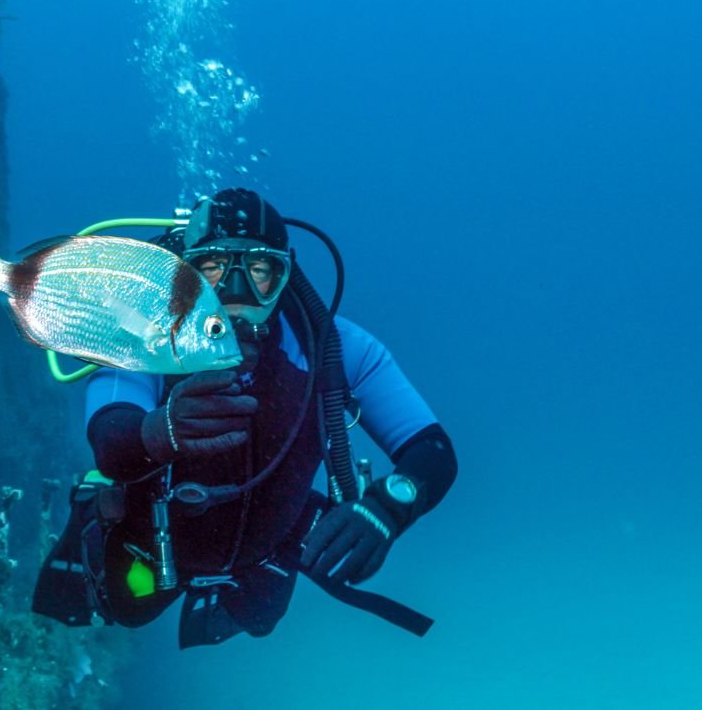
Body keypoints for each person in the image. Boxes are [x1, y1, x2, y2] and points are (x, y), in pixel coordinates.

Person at [33, 188, 457, 647]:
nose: (235, 293)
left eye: (259, 270)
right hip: (154, 540)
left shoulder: (334, 347)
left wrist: (389, 507)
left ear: (284, 273)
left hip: (267, 547)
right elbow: (111, 439)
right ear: (182, 272)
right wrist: (161, 430)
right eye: (211, 269)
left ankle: (225, 596)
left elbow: (431, 450)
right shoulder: (143, 335)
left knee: (258, 616)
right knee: (127, 607)